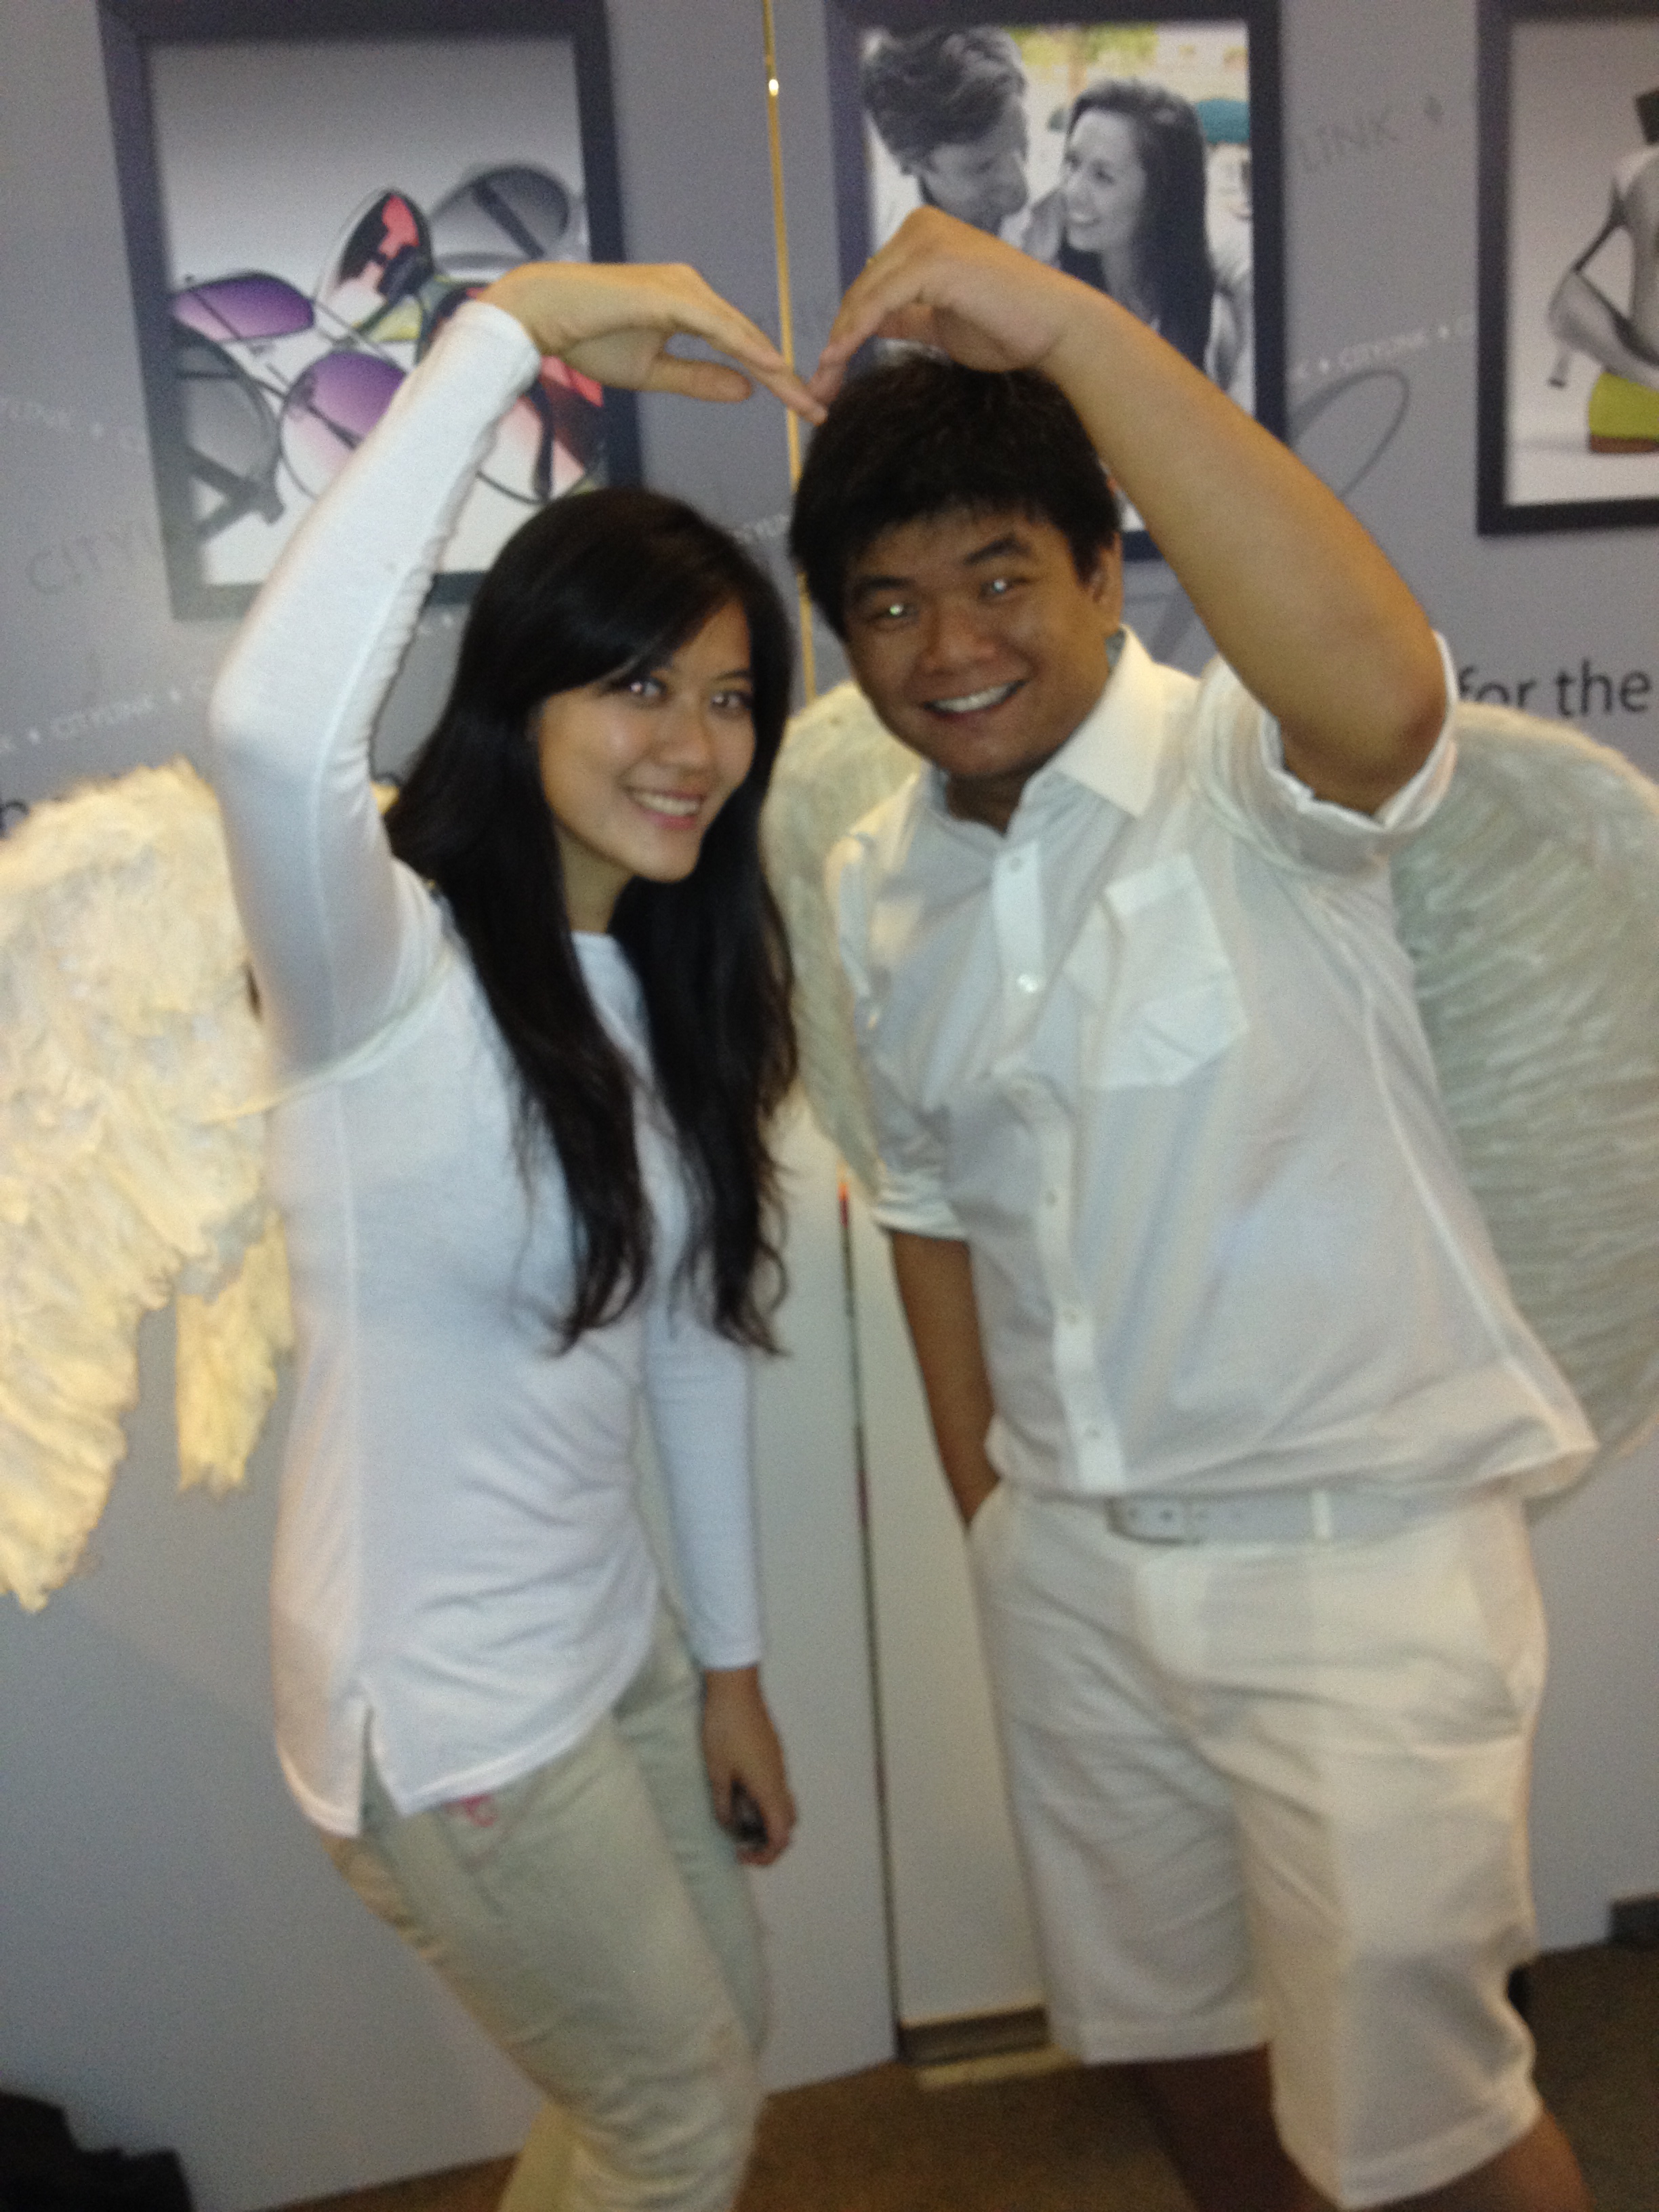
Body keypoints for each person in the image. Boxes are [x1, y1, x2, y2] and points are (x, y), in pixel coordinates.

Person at [790, 209, 1596, 2212]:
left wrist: (1067, 327)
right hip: (1070, 1578)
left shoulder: (1251, 766)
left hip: (1349, 1558)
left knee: (1430, 2120)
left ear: (1102, 566)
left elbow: (1388, 696)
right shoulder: (881, 876)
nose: (949, 647)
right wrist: (997, 1520)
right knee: (1173, 2038)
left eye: (999, 575)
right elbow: (927, 1206)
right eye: (888, 605)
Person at [210, 259, 821, 2212]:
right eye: (638, 683)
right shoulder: (376, 968)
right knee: (673, 2121)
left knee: (705, 2056)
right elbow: (268, 732)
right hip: (447, 1717)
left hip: (604, 1647)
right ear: (520, 693)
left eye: (729, 697)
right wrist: (509, 332)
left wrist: (727, 1666)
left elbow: (687, 1347)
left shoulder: (661, 989)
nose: (694, 743)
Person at [1023, 79, 1246, 399]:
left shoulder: (1214, 326)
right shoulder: (1047, 297)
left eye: (1102, 176)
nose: (1071, 191)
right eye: (1072, 164)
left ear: (1162, 194)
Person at [861, 27, 1030, 241]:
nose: (1021, 190)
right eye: (983, 167)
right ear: (913, 164)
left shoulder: (1063, 201)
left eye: (1022, 145)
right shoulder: (872, 242)